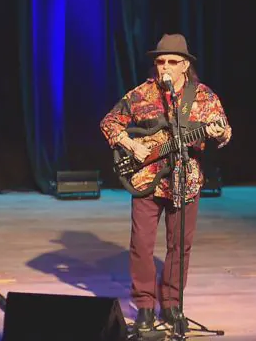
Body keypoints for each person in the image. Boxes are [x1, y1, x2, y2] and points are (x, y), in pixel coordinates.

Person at [100, 33, 232, 331]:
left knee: (180, 246)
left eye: (173, 62)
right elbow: (109, 122)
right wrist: (132, 145)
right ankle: (145, 305)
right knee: (141, 245)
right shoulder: (141, 95)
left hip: (185, 181)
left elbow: (225, 133)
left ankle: (172, 304)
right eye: (161, 62)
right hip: (146, 180)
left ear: (185, 65)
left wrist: (219, 133)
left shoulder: (204, 97)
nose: (166, 68)